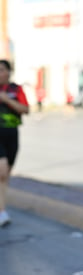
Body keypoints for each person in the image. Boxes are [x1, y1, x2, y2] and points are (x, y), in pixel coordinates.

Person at [0, 59, 29, 227]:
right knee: (2, 172)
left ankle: (1, 207)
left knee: (5, 176)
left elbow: (25, 109)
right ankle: (2, 212)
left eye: (2, 69)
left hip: (12, 135)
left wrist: (6, 100)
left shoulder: (15, 89)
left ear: (9, 72)